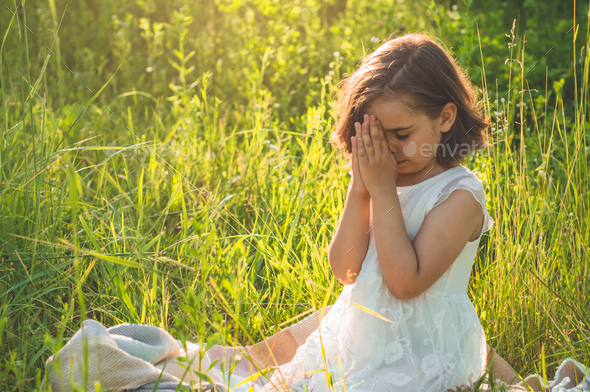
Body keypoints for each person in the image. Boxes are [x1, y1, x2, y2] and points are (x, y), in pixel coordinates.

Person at [204, 31, 495, 392]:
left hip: (425, 352)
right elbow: (346, 270)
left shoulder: (459, 195)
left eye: (401, 135)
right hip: (360, 342)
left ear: (446, 118)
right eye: (375, 136)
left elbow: (405, 283)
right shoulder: (379, 181)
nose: (387, 150)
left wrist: (382, 190)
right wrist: (360, 190)